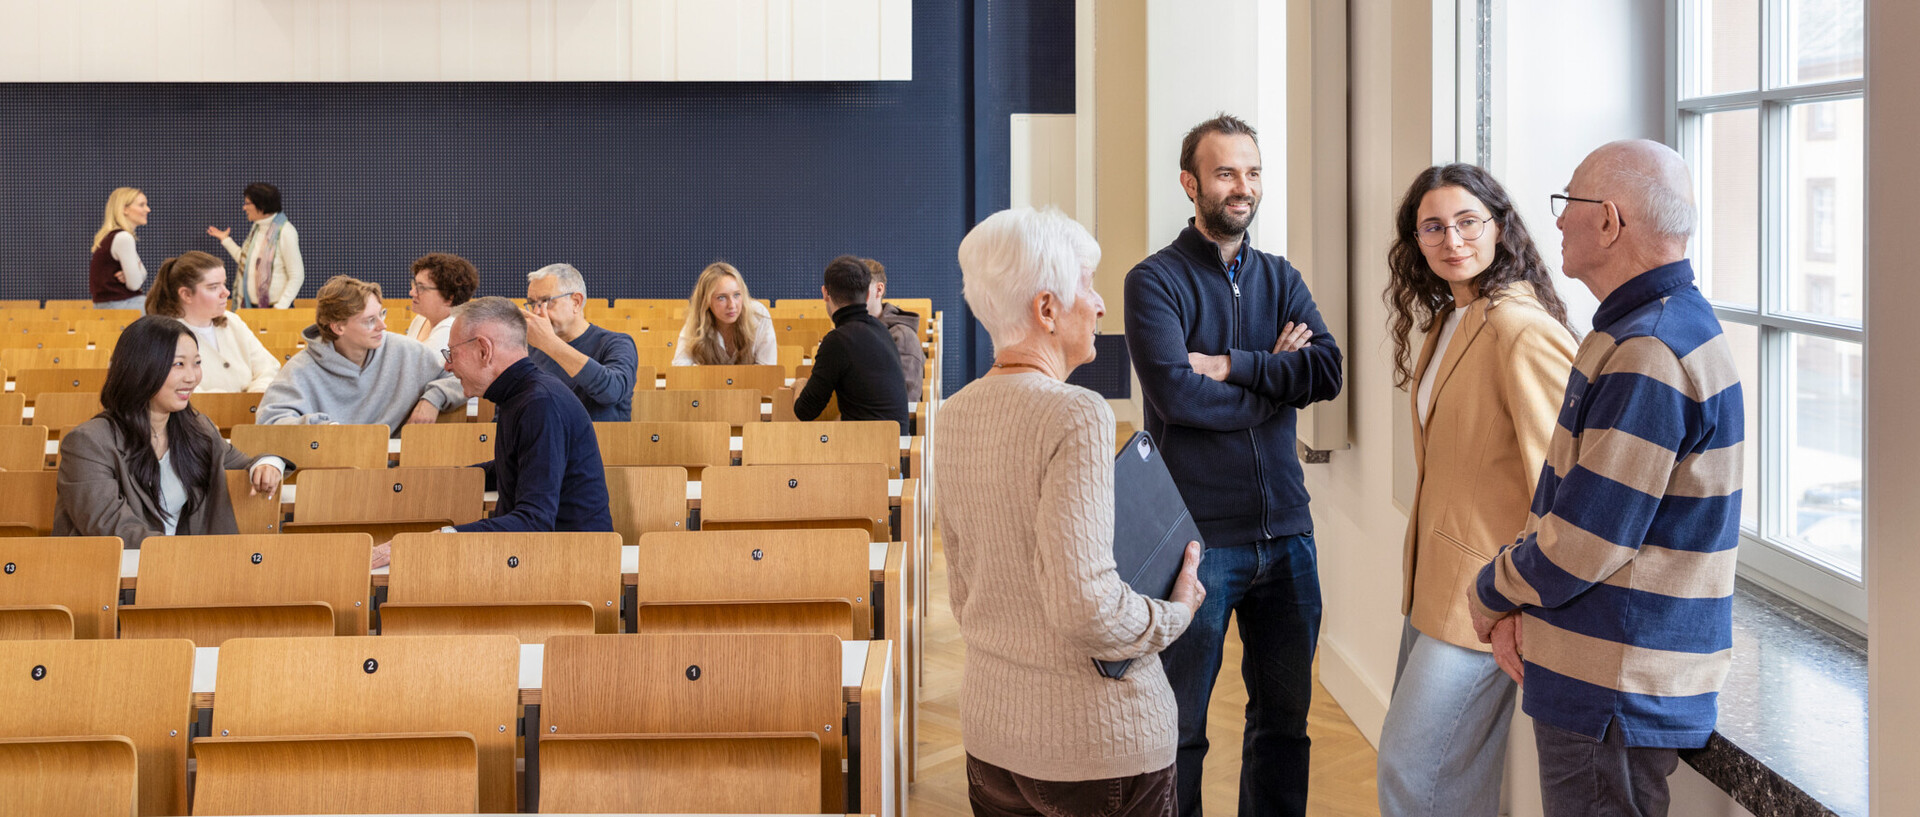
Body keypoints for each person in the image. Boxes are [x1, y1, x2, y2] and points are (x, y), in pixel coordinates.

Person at [1467, 140, 1744, 817]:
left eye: (1569, 202)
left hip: (1612, 683)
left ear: (1611, 222)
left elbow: (1586, 540)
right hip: (1610, 671)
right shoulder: (1643, 329)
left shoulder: (1648, 350)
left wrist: (1490, 591)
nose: (1555, 220)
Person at [937, 206, 1206, 817]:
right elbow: (1086, 609)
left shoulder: (954, 414)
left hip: (993, 736)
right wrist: (1175, 612)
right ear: (1047, 309)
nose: (1101, 304)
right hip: (1096, 746)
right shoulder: (1075, 413)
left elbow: (966, 593)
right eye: (1087, 284)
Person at [1123, 113, 1344, 817]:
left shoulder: (1281, 277)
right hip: (1198, 542)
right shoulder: (1153, 280)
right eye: (1225, 173)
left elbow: (1329, 369)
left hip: (1289, 536)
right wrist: (1275, 383)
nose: (1241, 187)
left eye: (1251, 172)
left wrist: (1233, 366)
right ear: (1191, 183)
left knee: (1284, 723)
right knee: (1179, 727)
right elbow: (1175, 397)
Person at [1372, 165, 1578, 817]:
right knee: (1442, 782)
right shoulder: (1450, 322)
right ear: (1415, 239)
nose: (1451, 238)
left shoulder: (1520, 327)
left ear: (1499, 227)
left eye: (1467, 221)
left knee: (1415, 777)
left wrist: (1519, 600)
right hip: (1430, 587)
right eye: (1433, 225)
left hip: (1486, 597)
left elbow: (1563, 478)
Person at [370, 297, 612, 568]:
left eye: (451, 353)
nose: (448, 366)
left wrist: (435, 540)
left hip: (567, 567)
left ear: (484, 349)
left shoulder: (540, 403)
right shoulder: (524, 395)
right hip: (539, 558)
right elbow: (509, 469)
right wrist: (424, 484)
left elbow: (534, 522)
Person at [53, 316, 287, 549]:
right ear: (142, 369)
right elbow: (110, 527)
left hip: (181, 569)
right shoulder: (89, 443)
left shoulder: (197, 428)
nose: (192, 377)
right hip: (117, 578)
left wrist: (268, 464)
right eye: (179, 365)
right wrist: (182, 558)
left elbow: (244, 463)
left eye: (197, 363)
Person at [257, 275, 463, 432]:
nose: (383, 326)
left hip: (396, 470)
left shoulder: (406, 351)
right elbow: (270, 421)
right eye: (370, 320)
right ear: (338, 327)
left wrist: (433, 398)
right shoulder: (301, 368)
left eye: (381, 314)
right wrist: (322, 428)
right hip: (333, 471)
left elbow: (462, 376)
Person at [792, 256, 911, 433]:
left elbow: (805, 411)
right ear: (868, 294)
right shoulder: (881, 329)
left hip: (866, 449)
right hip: (895, 448)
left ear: (825, 293)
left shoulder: (837, 340)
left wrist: (800, 384)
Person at [144, 251, 282, 393]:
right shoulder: (164, 336)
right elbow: (179, 390)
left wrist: (254, 396)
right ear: (186, 294)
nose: (226, 292)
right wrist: (224, 403)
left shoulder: (233, 322)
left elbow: (269, 368)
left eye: (224, 284)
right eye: (213, 287)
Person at [521, 263, 639, 421]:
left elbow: (612, 391)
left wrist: (550, 344)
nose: (537, 312)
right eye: (532, 304)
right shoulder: (528, 348)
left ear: (576, 302)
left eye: (547, 302)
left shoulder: (616, 343)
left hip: (602, 442)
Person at [208, 182, 305, 309]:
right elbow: (246, 262)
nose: (244, 208)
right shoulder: (257, 229)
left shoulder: (285, 231)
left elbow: (297, 275)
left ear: (262, 205)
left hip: (275, 310)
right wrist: (225, 240)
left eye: (248, 203)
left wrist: (280, 307)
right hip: (250, 308)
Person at [673, 261, 777, 365]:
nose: (732, 305)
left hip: (752, 381)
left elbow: (767, 369)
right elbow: (680, 367)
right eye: (721, 298)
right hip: (711, 381)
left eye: (736, 295)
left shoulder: (758, 315)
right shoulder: (697, 321)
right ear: (706, 301)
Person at [861, 257, 927, 403]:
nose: (852, 297)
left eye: (860, 289)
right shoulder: (851, 333)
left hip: (885, 423)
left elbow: (905, 400)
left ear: (879, 290)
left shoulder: (902, 337)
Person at [405, 252, 479, 361]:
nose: (412, 292)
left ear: (449, 297)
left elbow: (414, 370)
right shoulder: (420, 320)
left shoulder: (450, 330)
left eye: (421, 287)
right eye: (414, 284)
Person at [90, 187, 151, 311]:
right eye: (141, 205)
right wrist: (135, 274)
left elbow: (142, 274)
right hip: (122, 306)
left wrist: (135, 273)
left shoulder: (111, 237)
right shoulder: (124, 238)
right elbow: (135, 284)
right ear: (125, 209)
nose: (147, 209)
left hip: (109, 306)